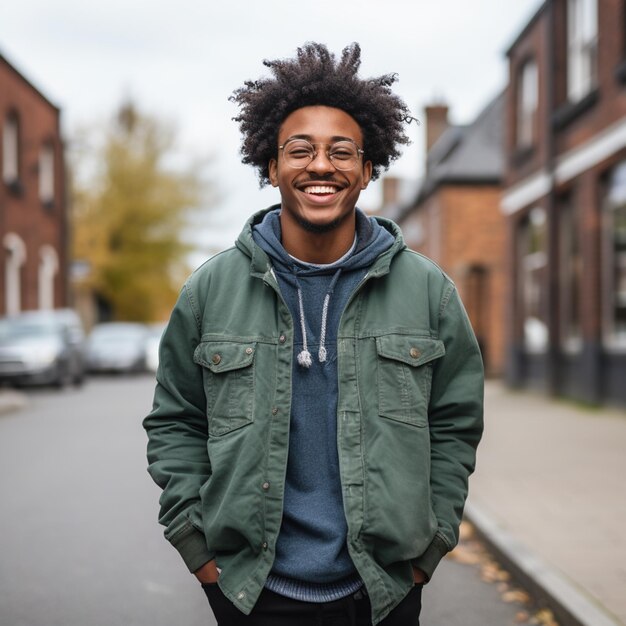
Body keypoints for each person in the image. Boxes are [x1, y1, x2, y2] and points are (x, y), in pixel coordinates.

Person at [144, 42, 484, 626]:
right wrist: (196, 548)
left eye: (341, 152)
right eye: (300, 150)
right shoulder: (210, 290)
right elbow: (177, 420)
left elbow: (454, 423)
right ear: (271, 168)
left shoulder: (429, 292)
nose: (321, 166)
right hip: (250, 591)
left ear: (368, 168)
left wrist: (431, 548)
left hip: (384, 591)